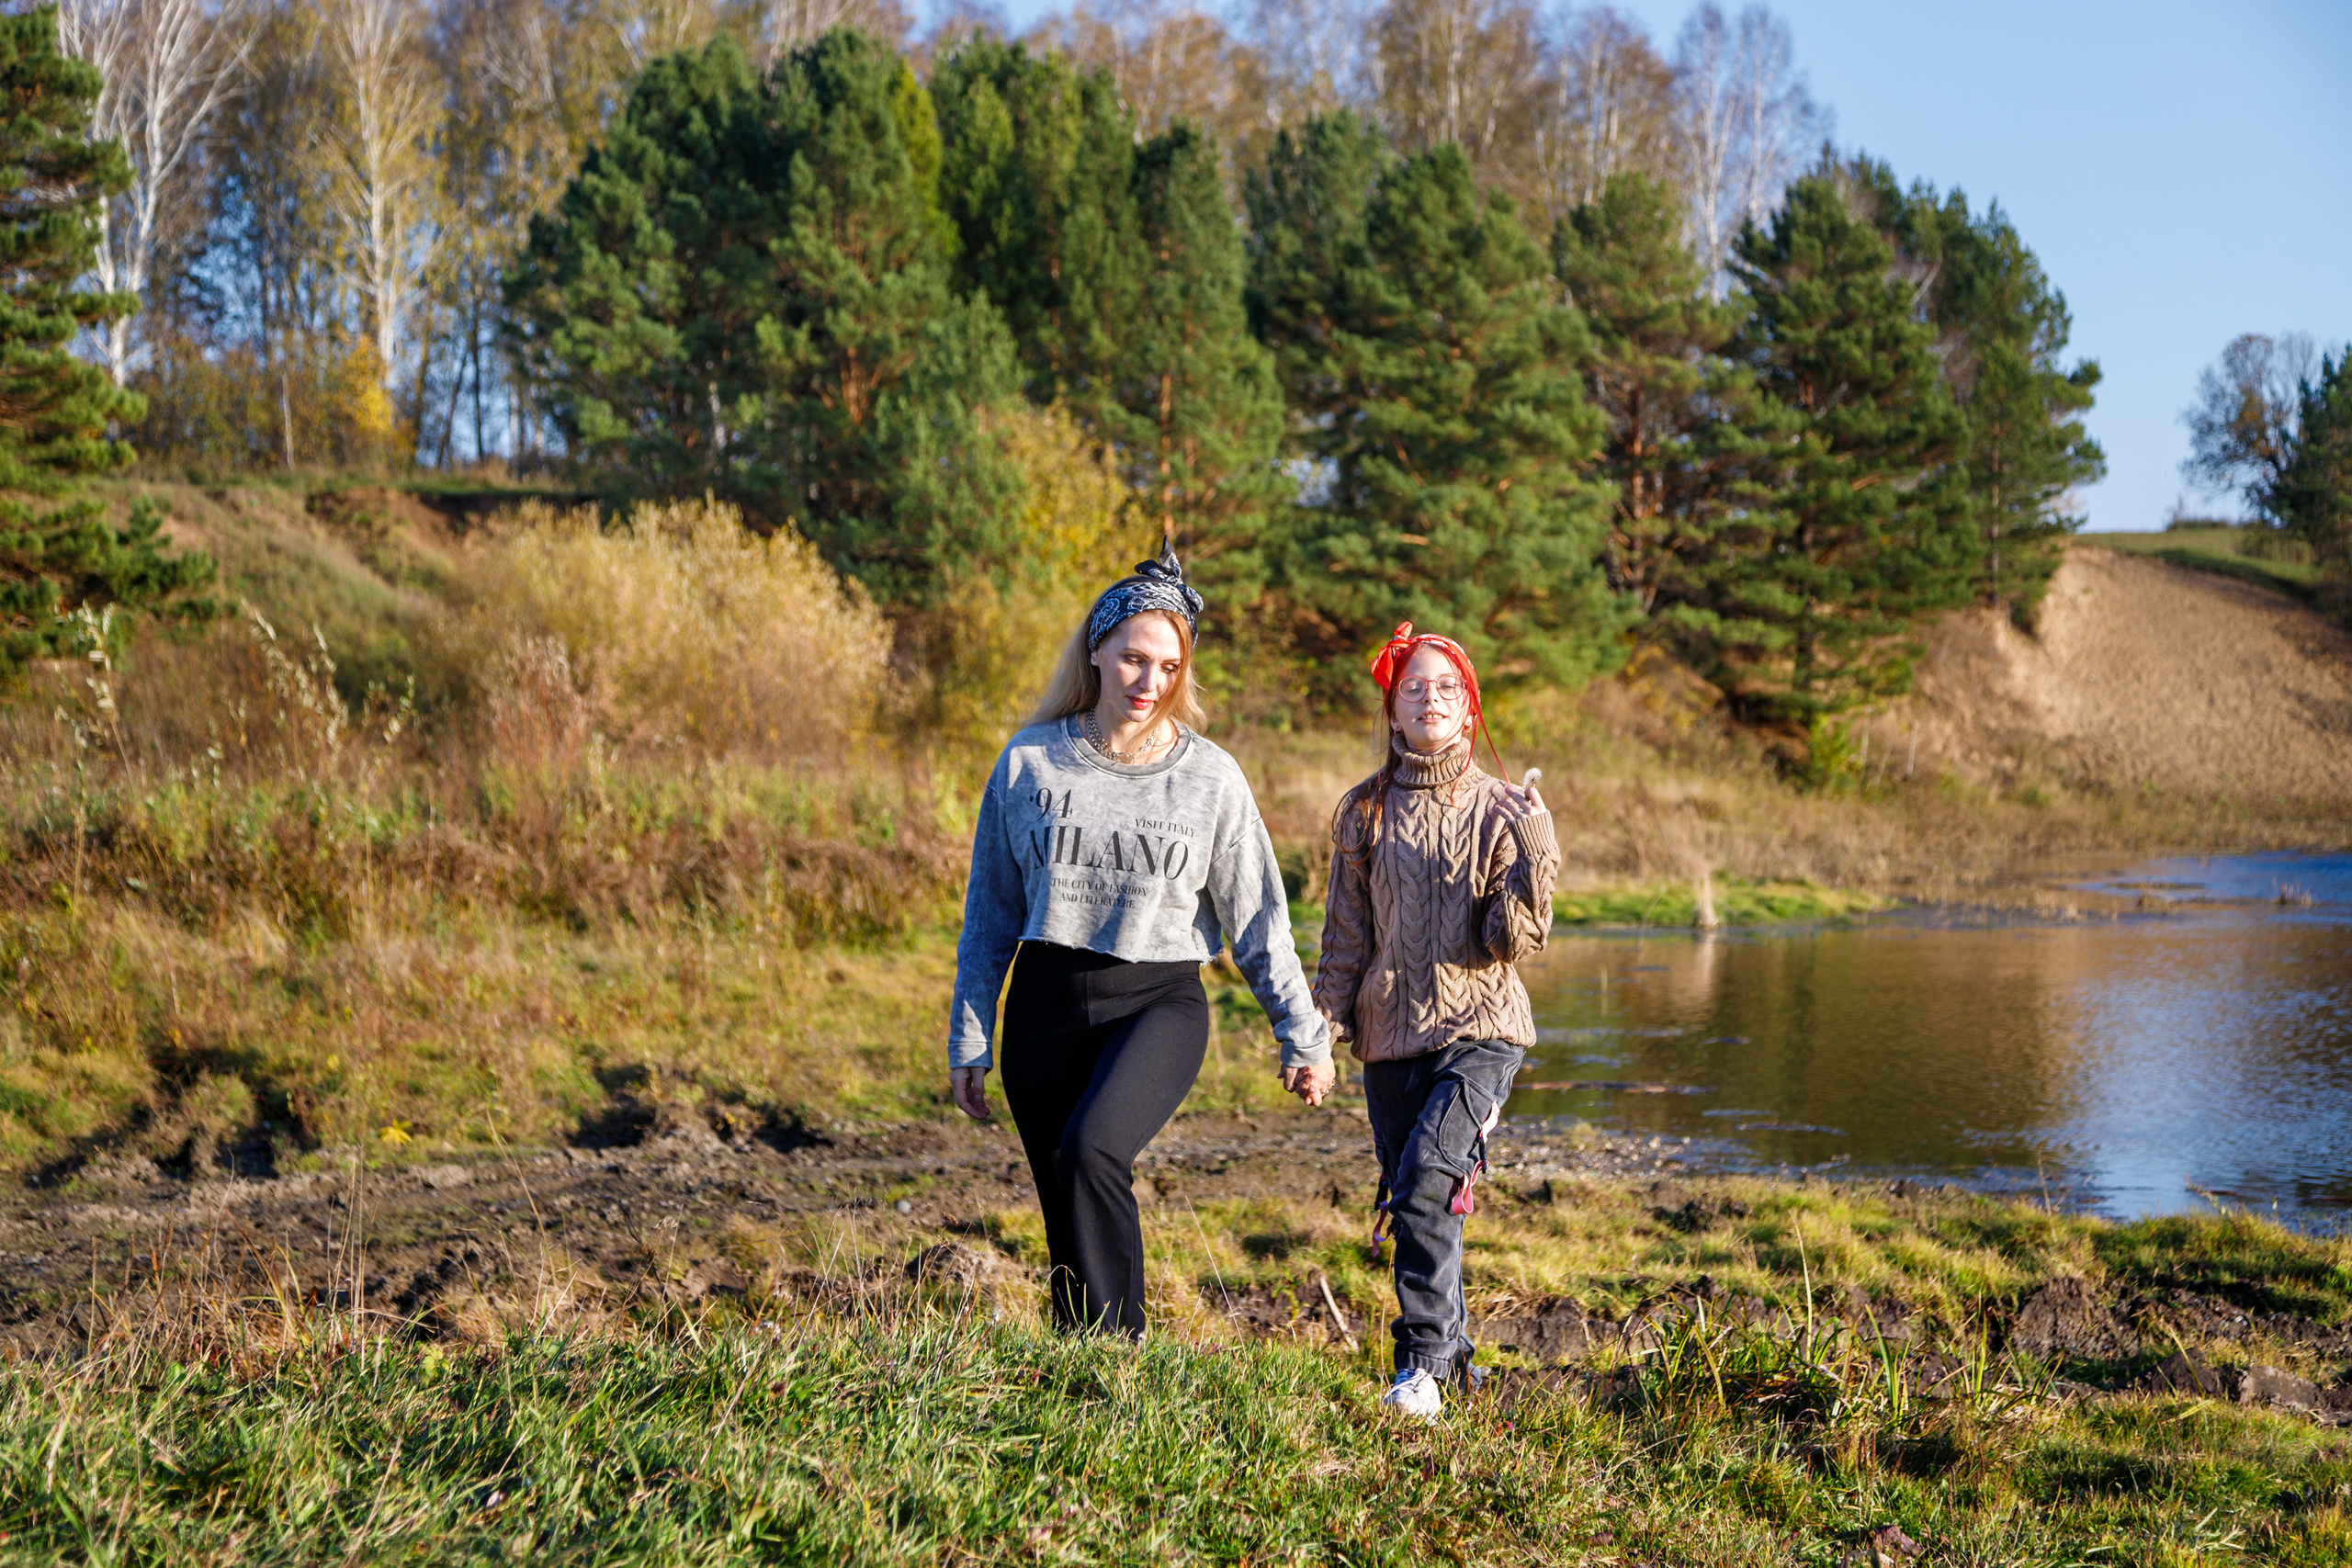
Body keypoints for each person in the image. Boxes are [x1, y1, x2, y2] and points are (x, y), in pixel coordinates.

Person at [947, 545, 1331, 1338]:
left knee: (1093, 1149)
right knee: (1062, 1189)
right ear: (1097, 650)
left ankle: (1123, 1358)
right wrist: (971, 1034)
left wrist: (1303, 1033)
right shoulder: (1029, 761)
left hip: (1156, 1001)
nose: (1147, 682)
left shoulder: (1210, 777)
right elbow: (989, 911)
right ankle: (1079, 1368)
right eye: (1132, 658)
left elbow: (1260, 915)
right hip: (1045, 1005)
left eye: (1166, 665)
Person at [1309, 623, 1558, 1421]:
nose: (1430, 699)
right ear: (1392, 708)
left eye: (1447, 687)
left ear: (1469, 707)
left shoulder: (1497, 808)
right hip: (1389, 1039)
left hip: (1482, 1032)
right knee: (1417, 1199)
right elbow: (1346, 938)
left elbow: (1512, 942)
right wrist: (1317, 1033)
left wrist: (1535, 851)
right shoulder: (1362, 811)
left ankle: (1416, 1365)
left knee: (1425, 1182)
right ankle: (1452, 1373)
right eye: (1413, 686)